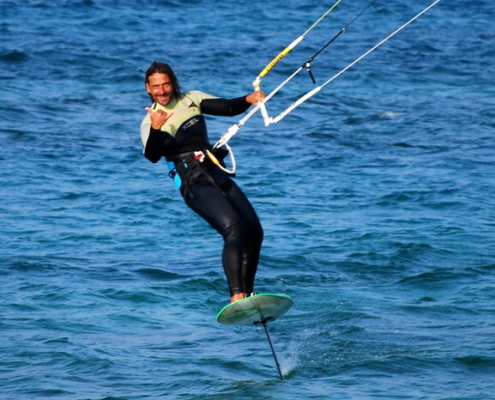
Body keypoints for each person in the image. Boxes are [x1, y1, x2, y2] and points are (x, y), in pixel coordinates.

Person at [140, 61, 266, 303]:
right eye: (156, 87)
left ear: (173, 83)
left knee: (254, 231)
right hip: (191, 181)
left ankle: (248, 294)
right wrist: (156, 128)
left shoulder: (191, 99)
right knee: (233, 228)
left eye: (166, 84)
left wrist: (249, 98)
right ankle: (236, 295)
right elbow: (152, 156)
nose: (162, 91)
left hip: (213, 170)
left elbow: (228, 107)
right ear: (148, 88)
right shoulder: (150, 122)